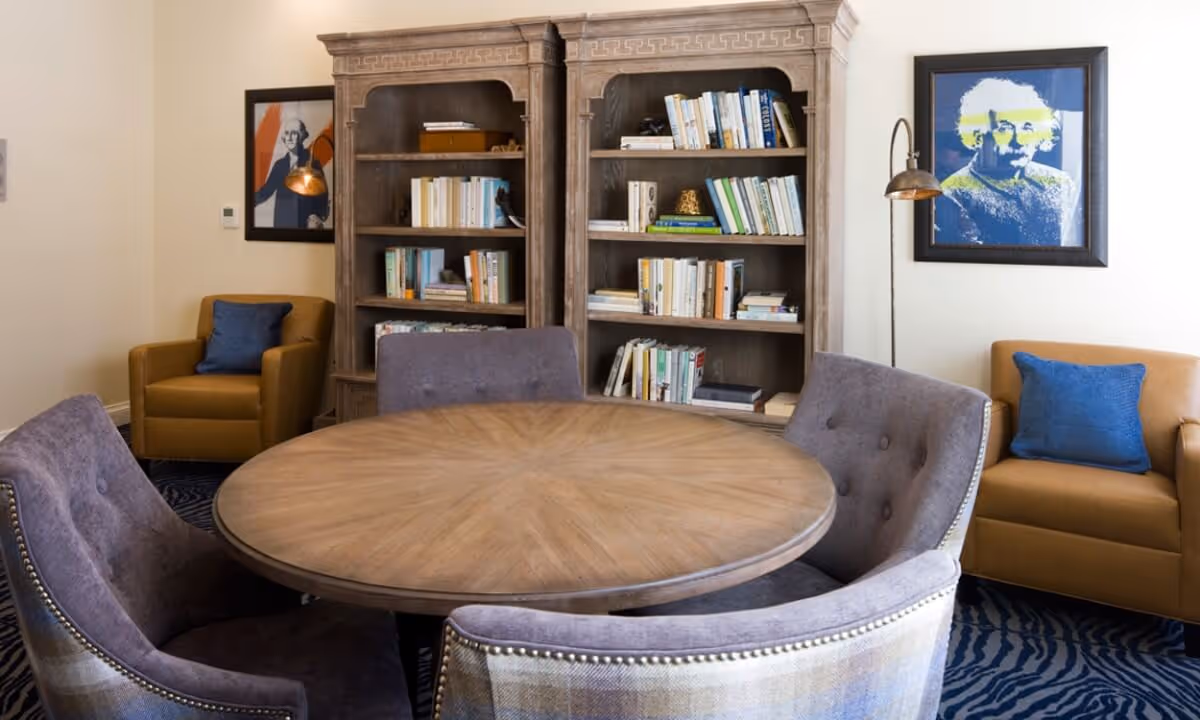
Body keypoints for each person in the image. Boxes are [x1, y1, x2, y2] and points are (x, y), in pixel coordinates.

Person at [936, 77, 1081, 247]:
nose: (1019, 140)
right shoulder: (953, 193)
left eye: (1027, 128)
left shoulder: (1060, 182)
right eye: (1005, 128)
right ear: (977, 134)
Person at [254, 118, 329, 229]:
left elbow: (323, 195)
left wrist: (317, 216)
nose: (289, 138)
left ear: (302, 136)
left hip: (305, 225)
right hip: (282, 225)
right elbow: (266, 191)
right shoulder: (280, 165)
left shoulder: (312, 164)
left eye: (294, 133)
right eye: (287, 133)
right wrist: (248, 202)